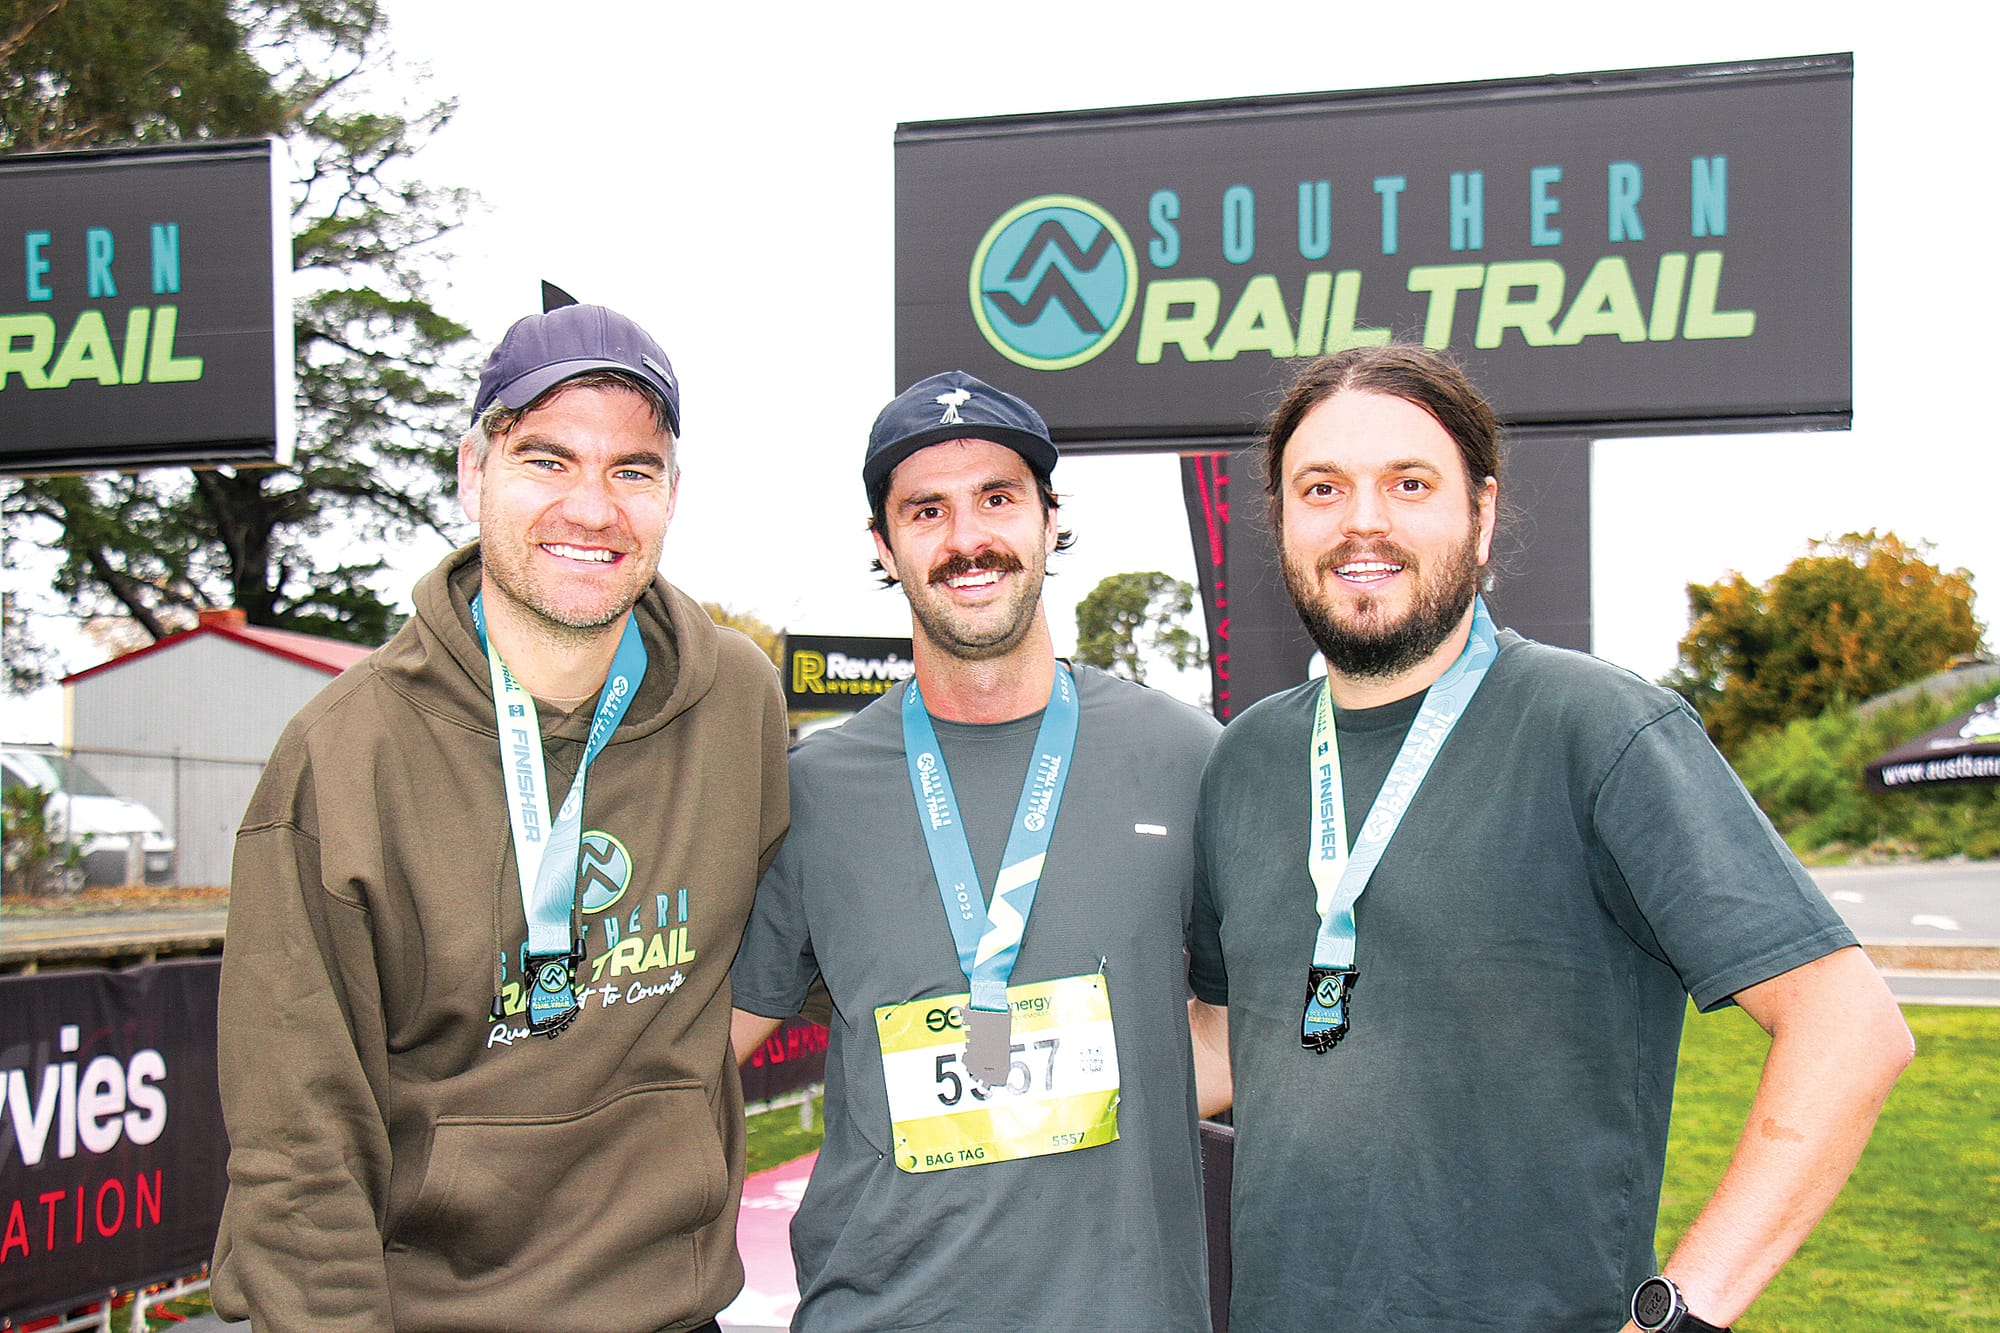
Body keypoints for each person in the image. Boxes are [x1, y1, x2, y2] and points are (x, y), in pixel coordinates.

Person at [1186, 344, 1913, 1333]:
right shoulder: (1245, 758)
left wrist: (1671, 1323)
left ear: (1479, 516)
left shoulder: (1598, 728)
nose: (1362, 521)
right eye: (1322, 488)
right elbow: (1231, 1041)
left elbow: (1848, 1029)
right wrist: (983, 1056)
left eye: (1408, 482)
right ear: (1279, 518)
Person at [210, 303, 788, 1332]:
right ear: (475, 472)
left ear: (670, 495)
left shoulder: (736, 700)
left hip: (676, 1308)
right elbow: (300, 1153)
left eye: (632, 470)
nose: (592, 507)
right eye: (547, 459)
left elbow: (794, 938)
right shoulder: (344, 757)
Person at [729, 370, 1221, 1332]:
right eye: (926, 509)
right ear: (884, 543)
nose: (966, 538)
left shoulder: (1186, 756)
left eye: (998, 498)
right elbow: (699, 1052)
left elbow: (1248, 1028)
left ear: (1047, 519)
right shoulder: (815, 789)